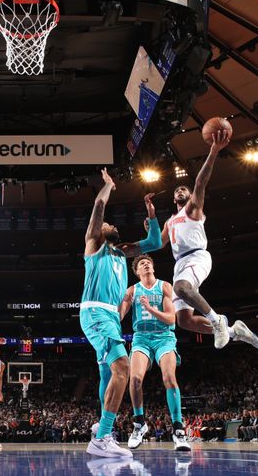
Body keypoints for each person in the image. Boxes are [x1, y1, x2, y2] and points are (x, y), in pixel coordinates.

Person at [80, 169, 163, 458]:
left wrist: (151, 214)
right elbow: (98, 209)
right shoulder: (94, 245)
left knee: (108, 372)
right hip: (97, 313)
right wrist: (108, 187)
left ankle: (101, 430)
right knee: (123, 370)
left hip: (111, 318)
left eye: (110, 224)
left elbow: (154, 243)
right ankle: (102, 436)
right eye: (106, 224)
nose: (110, 224)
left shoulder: (121, 252)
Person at [158, 130, 258, 350]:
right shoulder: (169, 221)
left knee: (182, 288)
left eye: (184, 188)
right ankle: (235, 331)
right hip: (180, 263)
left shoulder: (192, 208)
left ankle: (217, 321)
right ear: (173, 198)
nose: (181, 190)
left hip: (197, 255)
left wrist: (213, 151)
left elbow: (201, 182)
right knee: (184, 321)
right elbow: (159, 243)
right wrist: (149, 221)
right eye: (177, 189)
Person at [118, 255, 190, 451]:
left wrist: (150, 308)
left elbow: (170, 319)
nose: (146, 264)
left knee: (169, 378)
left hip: (164, 337)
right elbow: (120, 313)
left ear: (153, 267)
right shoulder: (132, 291)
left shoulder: (165, 286)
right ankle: (140, 423)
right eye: (142, 264)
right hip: (141, 337)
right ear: (137, 271)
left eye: (149, 262)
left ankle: (178, 430)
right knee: (135, 379)